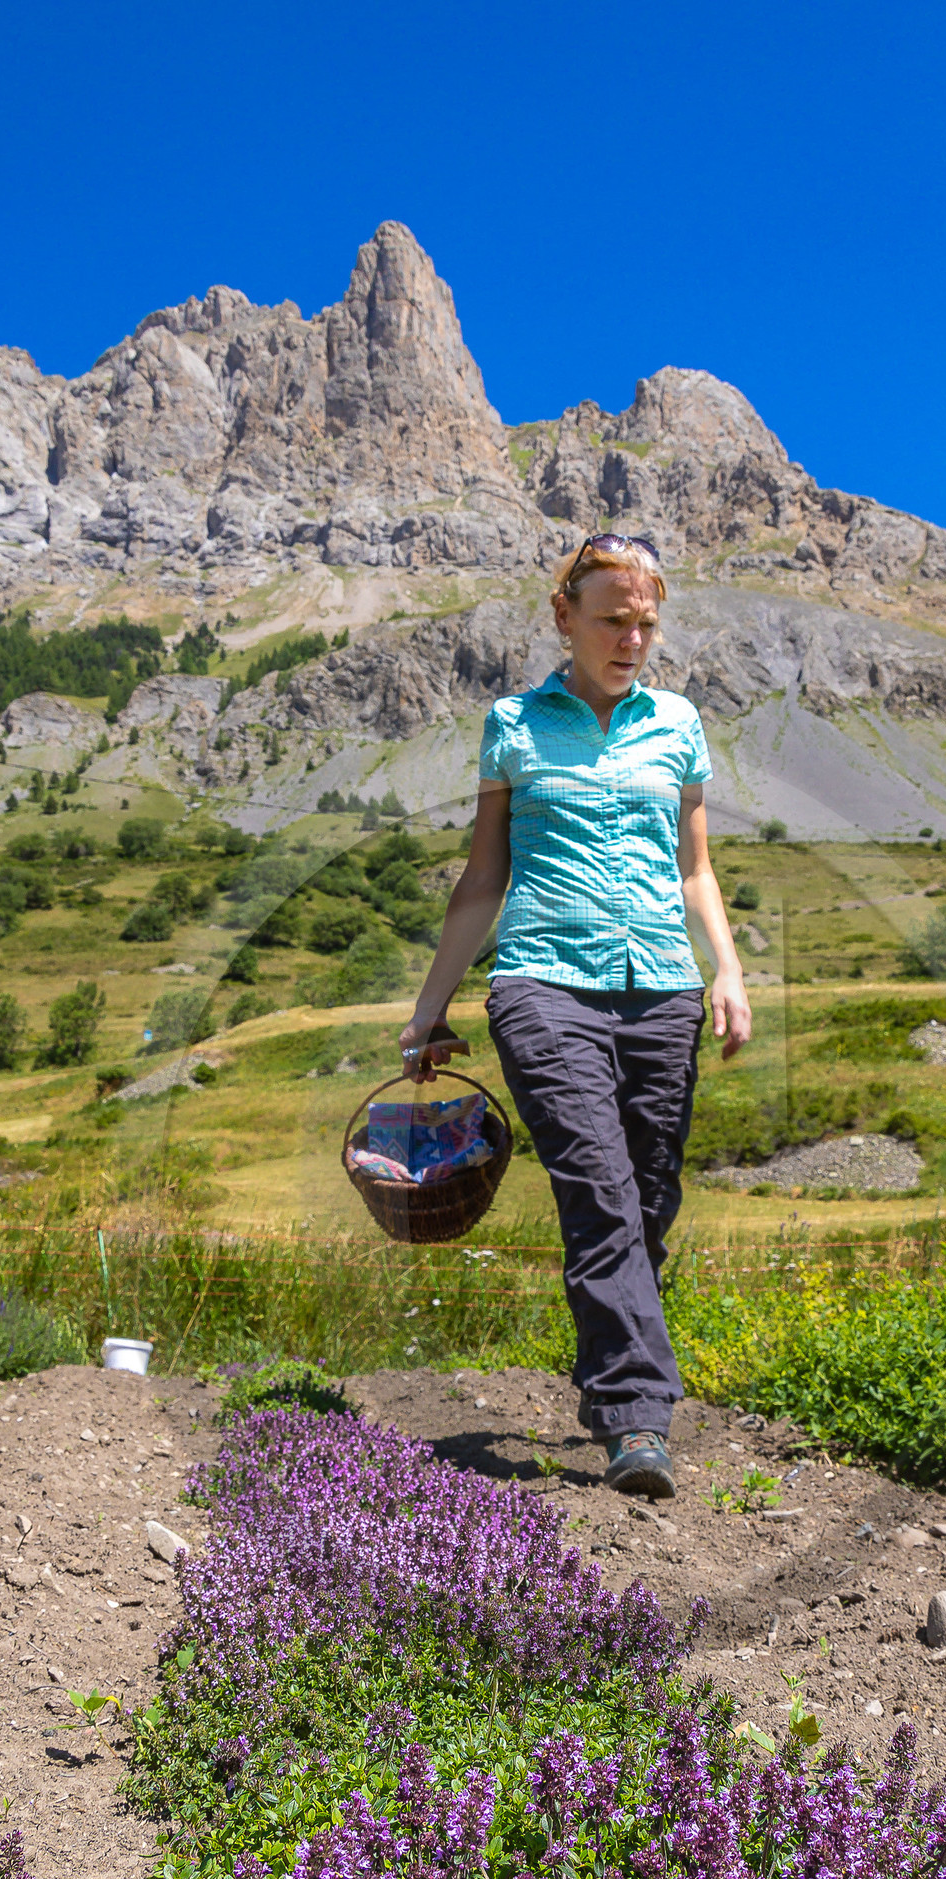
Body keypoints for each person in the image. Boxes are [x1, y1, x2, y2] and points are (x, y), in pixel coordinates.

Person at [398, 532, 752, 1499]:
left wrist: (727, 972)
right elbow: (483, 877)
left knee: (648, 1202)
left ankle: (610, 1373)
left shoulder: (677, 725)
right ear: (565, 616)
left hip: (663, 991)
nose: (631, 639)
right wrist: (427, 1013)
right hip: (544, 986)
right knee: (598, 1192)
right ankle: (638, 1417)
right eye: (612, 620)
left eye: (645, 623)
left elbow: (695, 869)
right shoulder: (513, 724)